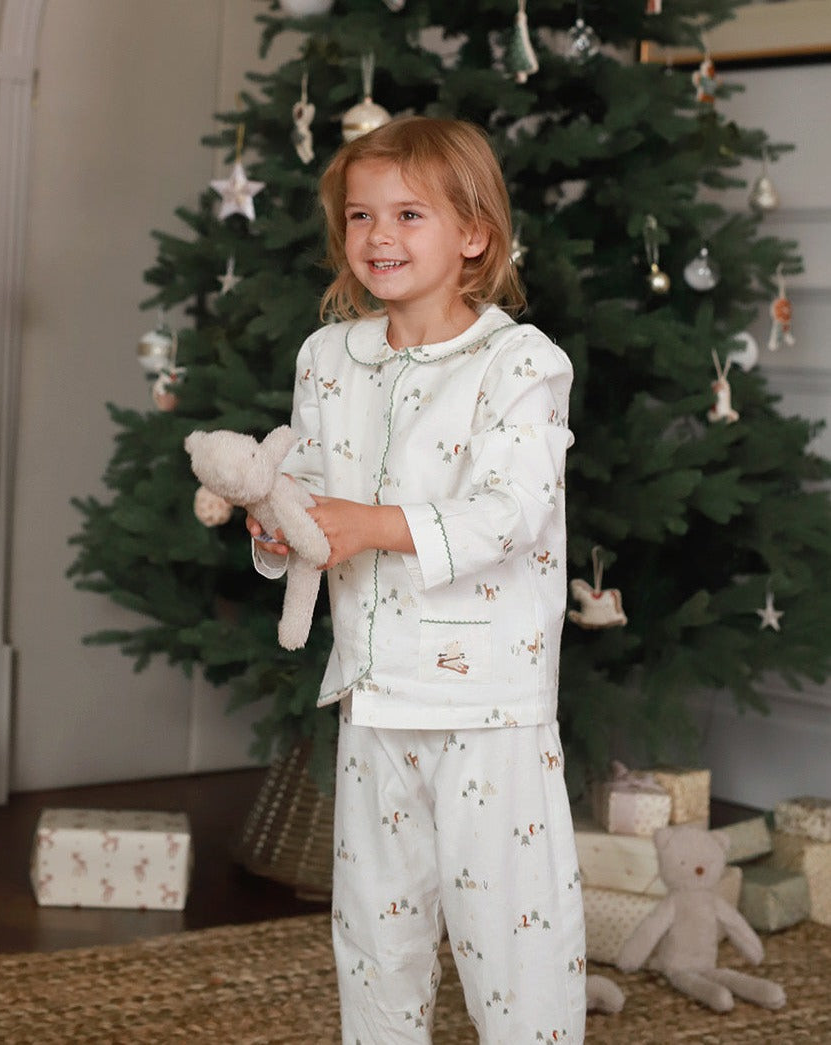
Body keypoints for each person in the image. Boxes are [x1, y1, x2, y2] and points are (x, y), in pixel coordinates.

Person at [248, 116, 586, 1044]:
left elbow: (509, 514)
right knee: (375, 931)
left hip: (489, 707)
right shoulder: (329, 357)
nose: (378, 237)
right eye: (360, 215)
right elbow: (311, 493)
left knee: (512, 940)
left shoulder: (519, 363)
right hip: (372, 692)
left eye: (407, 213)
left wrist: (376, 525)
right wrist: (281, 527)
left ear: (474, 231)